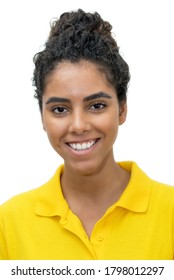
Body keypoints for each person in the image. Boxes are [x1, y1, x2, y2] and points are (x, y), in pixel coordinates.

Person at [0, 9, 174, 260]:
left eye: (97, 106)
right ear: (42, 117)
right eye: (60, 109)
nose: (79, 125)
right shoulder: (9, 223)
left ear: (122, 109)